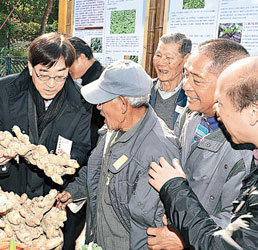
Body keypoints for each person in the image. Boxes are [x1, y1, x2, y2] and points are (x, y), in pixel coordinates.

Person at [56, 60, 180, 250]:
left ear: (123, 103)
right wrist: (75, 191)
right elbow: (100, 168)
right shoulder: (114, 129)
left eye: (102, 100)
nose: (98, 107)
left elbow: (147, 225)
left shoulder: (157, 151)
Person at [146, 39, 253, 249]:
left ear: (227, 85)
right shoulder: (190, 114)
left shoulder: (245, 145)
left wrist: (184, 238)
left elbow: (238, 222)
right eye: (186, 74)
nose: (185, 85)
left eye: (197, 80)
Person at [0, 32, 91, 198]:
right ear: (30, 67)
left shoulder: (81, 100)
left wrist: (63, 165)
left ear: (68, 70)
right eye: (44, 75)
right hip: (11, 194)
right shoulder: (7, 89)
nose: (51, 84)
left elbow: (81, 148)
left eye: (60, 76)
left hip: (53, 196)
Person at [69, 36, 105, 150]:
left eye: (69, 63)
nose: (67, 68)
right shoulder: (92, 78)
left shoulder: (99, 82)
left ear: (82, 57)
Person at [149, 33, 191, 129]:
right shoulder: (144, 89)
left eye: (169, 58)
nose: (161, 62)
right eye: (158, 55)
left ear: (186, 59)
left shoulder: (191, 96)